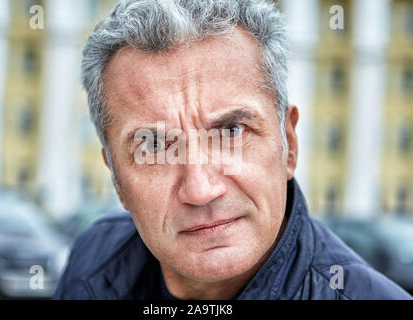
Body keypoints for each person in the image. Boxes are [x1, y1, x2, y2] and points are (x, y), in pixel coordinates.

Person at [54, 0, 412, 300]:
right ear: (116, 179)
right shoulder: (93, 258)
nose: (200, 190)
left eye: (231, 131)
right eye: (153, 145)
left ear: (289, 145)